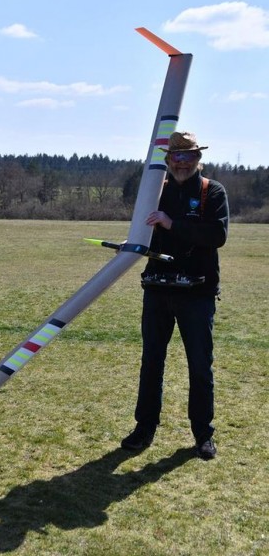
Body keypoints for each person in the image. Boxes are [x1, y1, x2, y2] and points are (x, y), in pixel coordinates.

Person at [121, 132, 229, 459]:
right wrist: (134, 243)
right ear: (168, 160)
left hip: (197, 293)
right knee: (151, 362)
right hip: (157, 289)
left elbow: (217, 235)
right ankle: (144, 428)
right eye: (176, 157)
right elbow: (144, 231)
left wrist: (171, 223)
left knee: (200, 365)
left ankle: (203, 434)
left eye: (188, 156)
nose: (182, 163)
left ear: (198, 159)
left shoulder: (212, 191)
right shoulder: (156, 191)